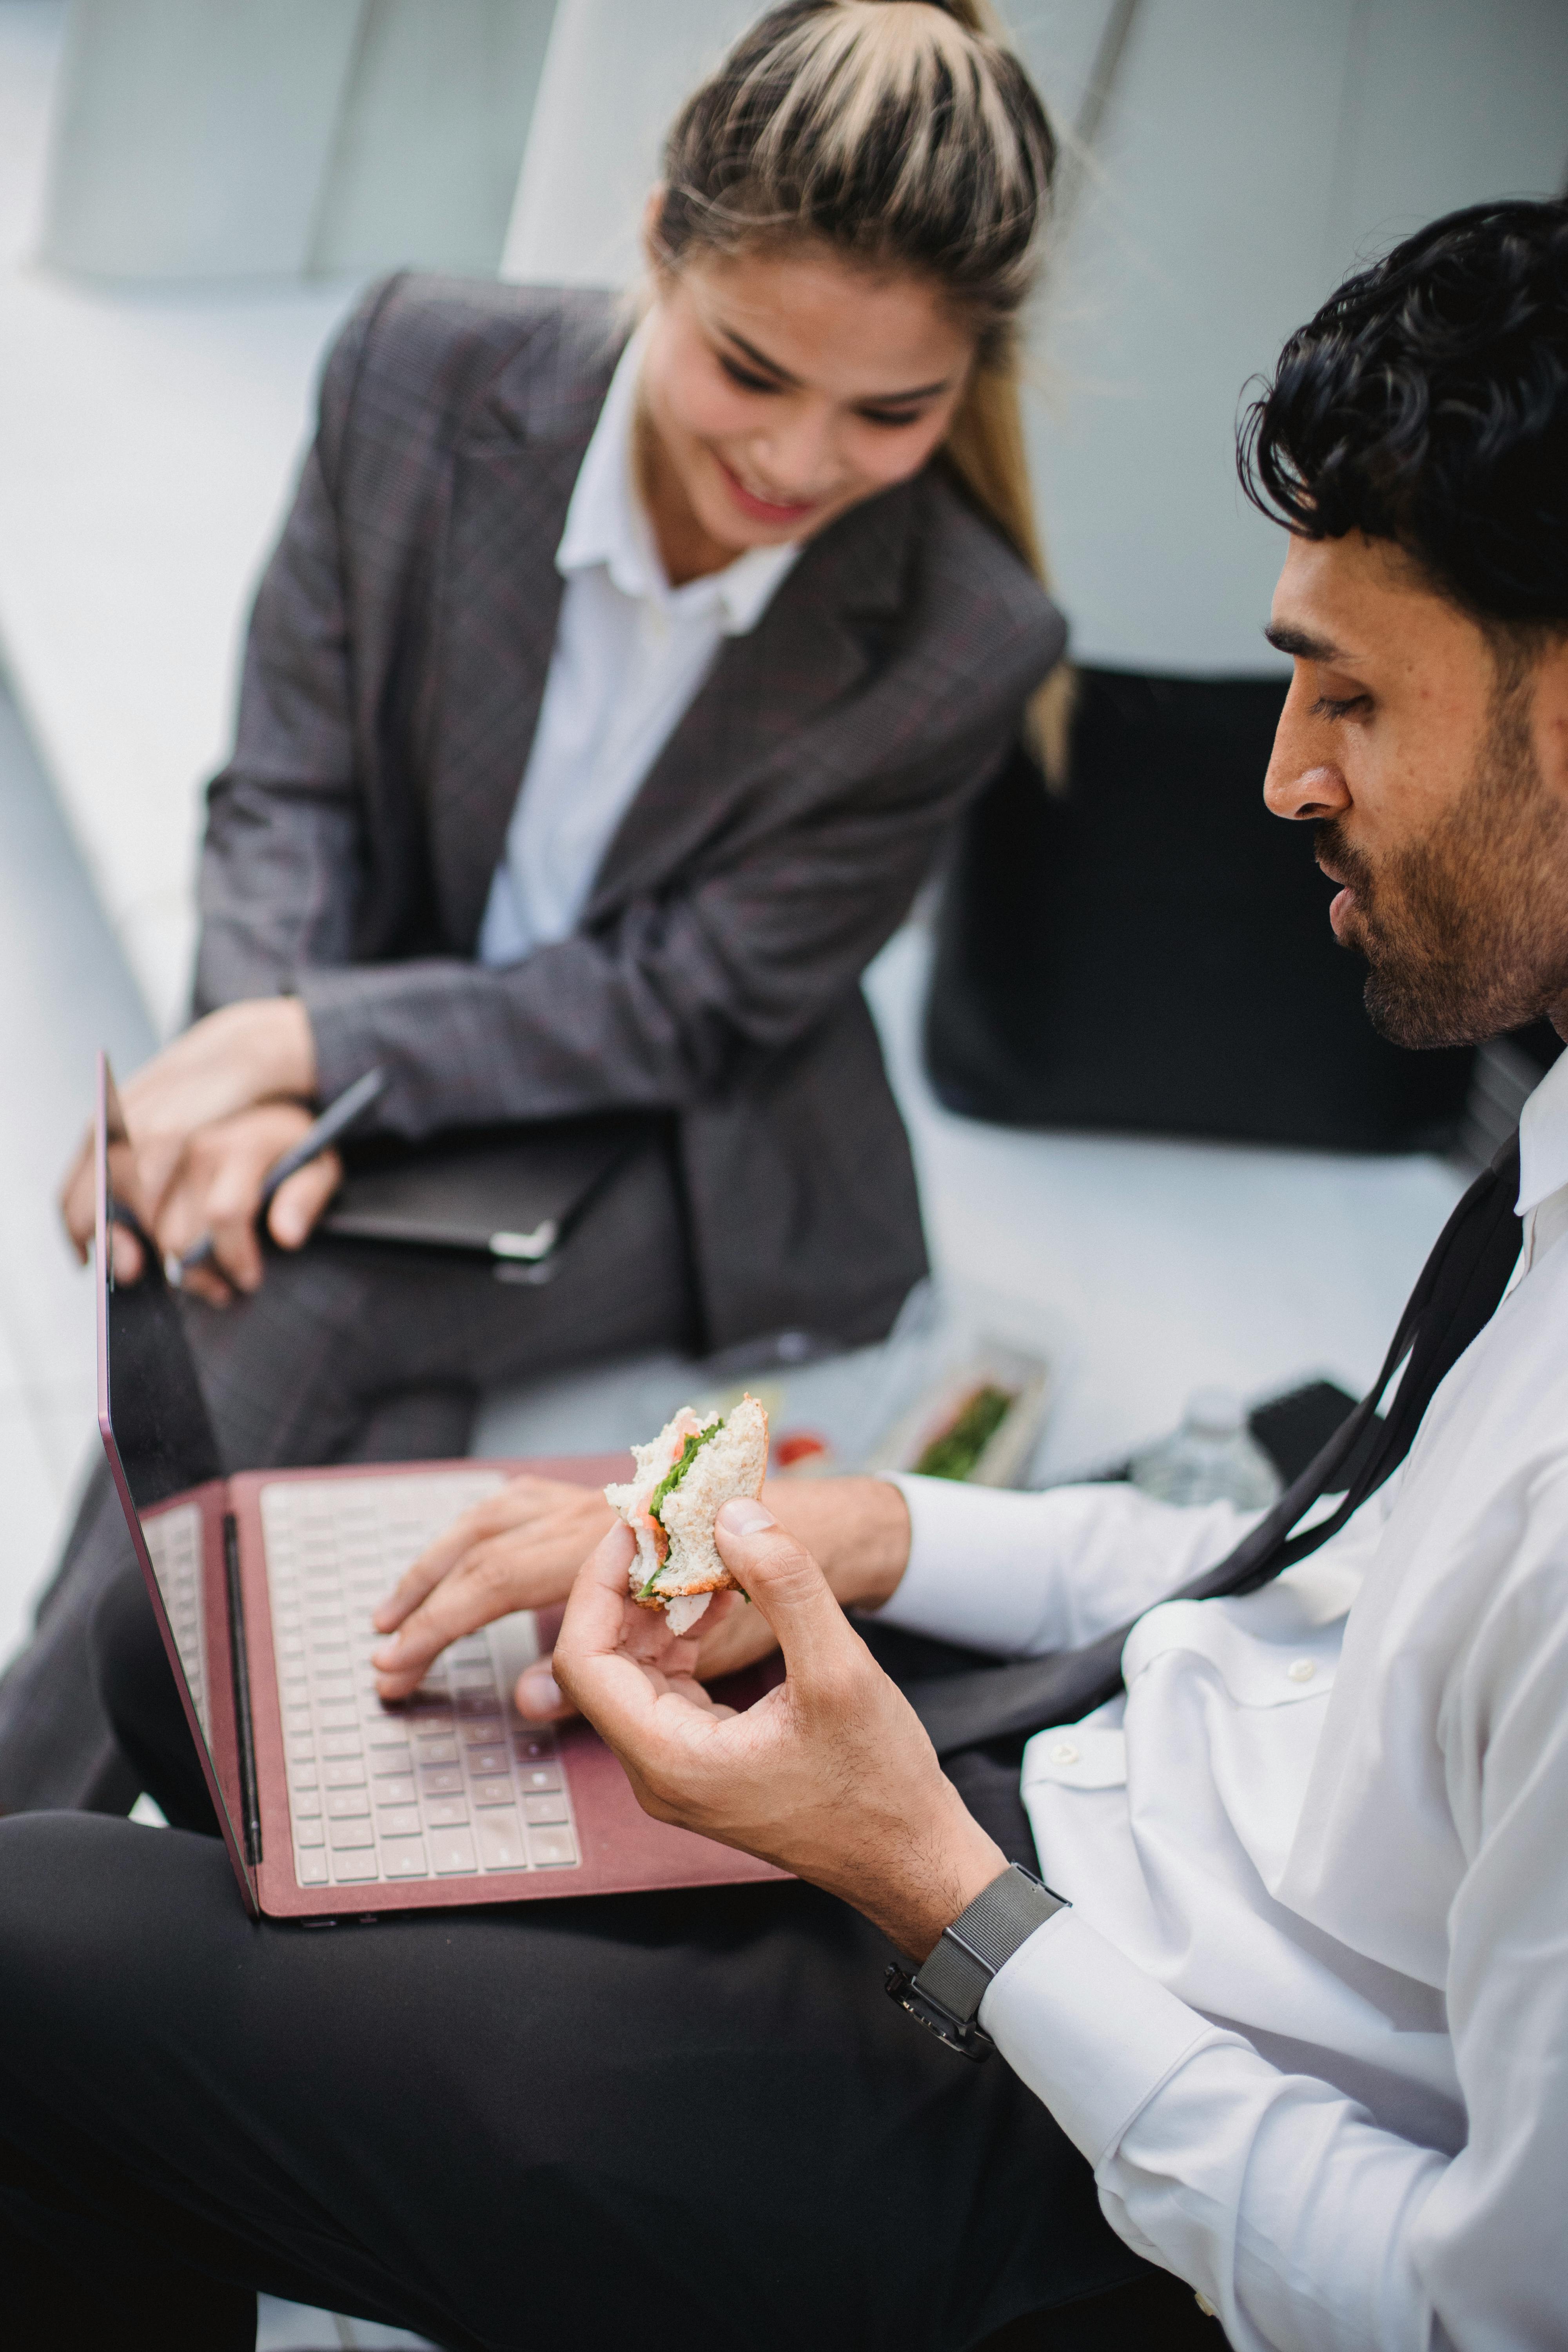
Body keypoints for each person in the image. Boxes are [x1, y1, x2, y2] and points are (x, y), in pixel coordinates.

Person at [4, 174, 1561, 2352]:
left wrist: (932, 1883)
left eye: (1352, 701)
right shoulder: (1547, 1161)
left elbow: (1474, 2320)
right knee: (203, 1659)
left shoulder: (959, 630)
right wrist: (858, 1528)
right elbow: (1294, 1591)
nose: (1281, 774)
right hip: (1052, 1786)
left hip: (1060, 2111)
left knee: (43, 1939)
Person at [0, 0, 1065, 1814]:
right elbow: (288, 785)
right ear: (661, 237)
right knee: (332, 1336)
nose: (801, 461)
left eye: (892, 409)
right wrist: (275, 1103)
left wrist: (289, 1044)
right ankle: (209, 1860)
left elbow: (683, 1004)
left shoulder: (971, 639)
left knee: (291, 1305)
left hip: (683, 1141)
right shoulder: (418, 370)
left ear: (973, 376)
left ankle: (35, 1853)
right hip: (391, 1053)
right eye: (749, 367)